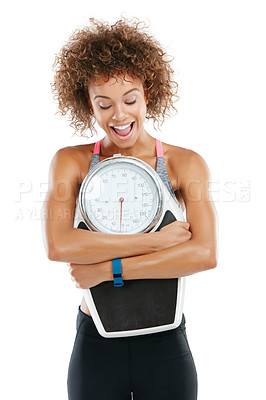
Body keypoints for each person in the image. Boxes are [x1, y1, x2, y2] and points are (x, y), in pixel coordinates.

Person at [42, 17, 218, 400]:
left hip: (166, 346)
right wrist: (158, 243)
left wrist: (108, 269)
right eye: (104, 104)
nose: (119, 116)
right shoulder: (70, 162)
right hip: (96, 348)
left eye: (130, 100)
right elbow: (59, 246)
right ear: (88, 104)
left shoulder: (184, 163)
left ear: (148, 94)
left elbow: (204, 254)